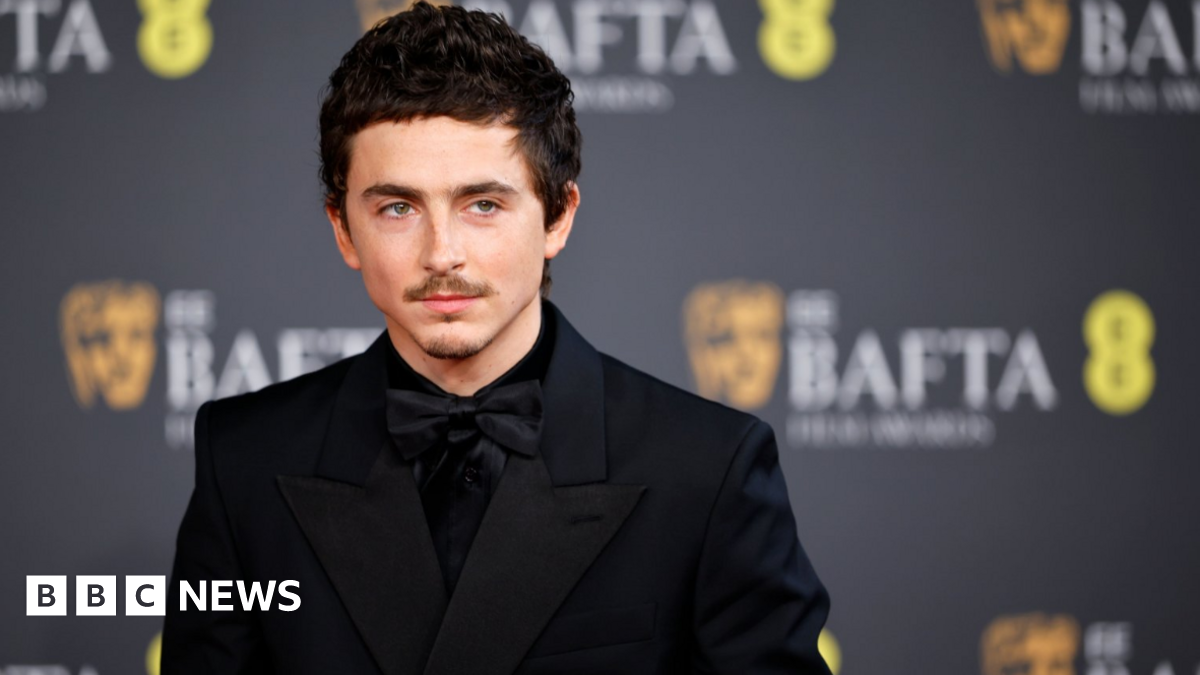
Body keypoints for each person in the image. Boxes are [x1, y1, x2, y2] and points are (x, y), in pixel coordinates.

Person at [161, 3, 831, 673]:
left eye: (483, 204)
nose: (442, 253)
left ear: (557, 217)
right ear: (343, 230)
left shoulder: (707, 470)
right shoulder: (244, 461)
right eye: (398, 207)